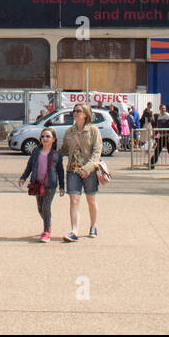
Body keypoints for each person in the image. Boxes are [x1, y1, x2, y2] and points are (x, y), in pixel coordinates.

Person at [60, 102, 102, 241]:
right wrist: (49, 154)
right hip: (73, 170)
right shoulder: (70, 131)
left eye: (78, 111)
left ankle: (93, 225)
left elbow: (97, 153)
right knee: (74, 199)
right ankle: (74, 231)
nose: (75, 113)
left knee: (91, 200)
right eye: (74, 111)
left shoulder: (93, 130)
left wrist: (87, 168)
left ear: (85, 114)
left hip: (89, 171)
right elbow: (65, 149)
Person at [17, 128, 65, 241]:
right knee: (40, 209)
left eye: (48, 136)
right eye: (43, 136)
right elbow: (29, 166)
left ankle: (46, 232)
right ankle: (48, 222)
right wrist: (23, 177)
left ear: (53, 139)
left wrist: (62, 186)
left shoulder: (56, 155)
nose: (44, 138)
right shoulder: (36, 152)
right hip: (38, 184)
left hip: (50, 185)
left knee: (46, 207)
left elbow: (60, 171)